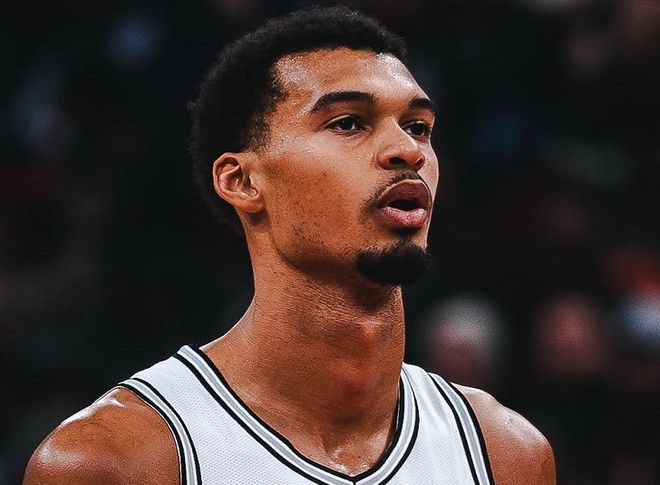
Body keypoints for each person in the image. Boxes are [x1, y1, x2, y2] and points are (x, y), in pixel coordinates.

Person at [24, 7, 555, 484]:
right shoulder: (118, 459)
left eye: (418, 126)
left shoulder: (505, 453)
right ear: (242, 182)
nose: (406, 150)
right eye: (349, 123)